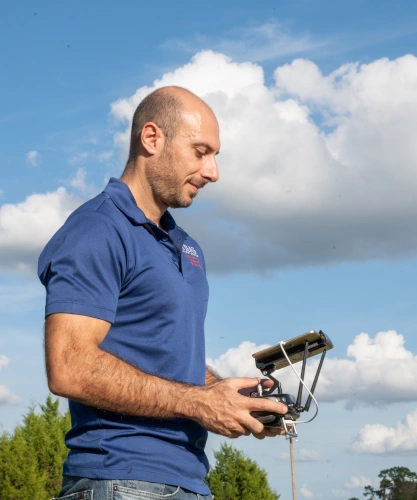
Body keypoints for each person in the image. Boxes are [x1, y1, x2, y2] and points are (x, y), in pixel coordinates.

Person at [38, 86, 288, 500]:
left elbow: (164, 354)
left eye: (216, 156)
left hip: (188, 481)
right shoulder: (97, 229)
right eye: (200, 151)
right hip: (118, 478)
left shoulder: (187, 246)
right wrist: (198, 404)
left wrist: (229, 398)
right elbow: (69, 366)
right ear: (152, 139)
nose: (213, 172)